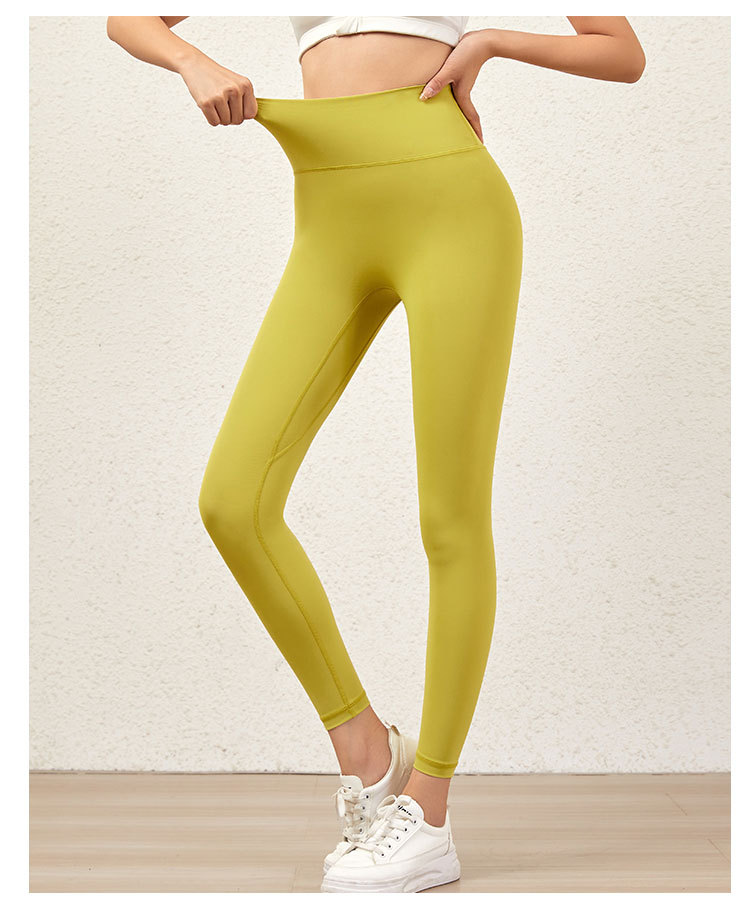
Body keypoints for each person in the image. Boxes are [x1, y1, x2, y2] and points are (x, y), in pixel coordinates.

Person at [106, 14, 646, 893]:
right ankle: (365, 745)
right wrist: (190, 59)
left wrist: (492, 42)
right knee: (233, 499)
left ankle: (428, 813)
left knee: (450, 517)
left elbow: (622, 52)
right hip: (328, 215)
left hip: (452, 204)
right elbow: (125, 16)